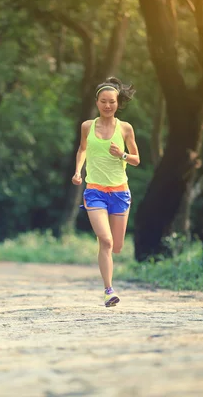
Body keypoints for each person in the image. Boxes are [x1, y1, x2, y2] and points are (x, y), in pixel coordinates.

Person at [72, 77, 140, 307]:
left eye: (112, 101)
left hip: (120, 192)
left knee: (117, 246)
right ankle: (108, 290)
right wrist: (78, 171)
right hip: (95, 191)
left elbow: (137, 159)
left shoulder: (125, 128)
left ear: (118, 103)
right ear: (97, 102)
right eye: (103, 101)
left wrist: (120, 155)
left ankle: (108, 272)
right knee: (106, 240)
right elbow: (82, 149)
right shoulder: (87, 127)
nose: (108, 105)